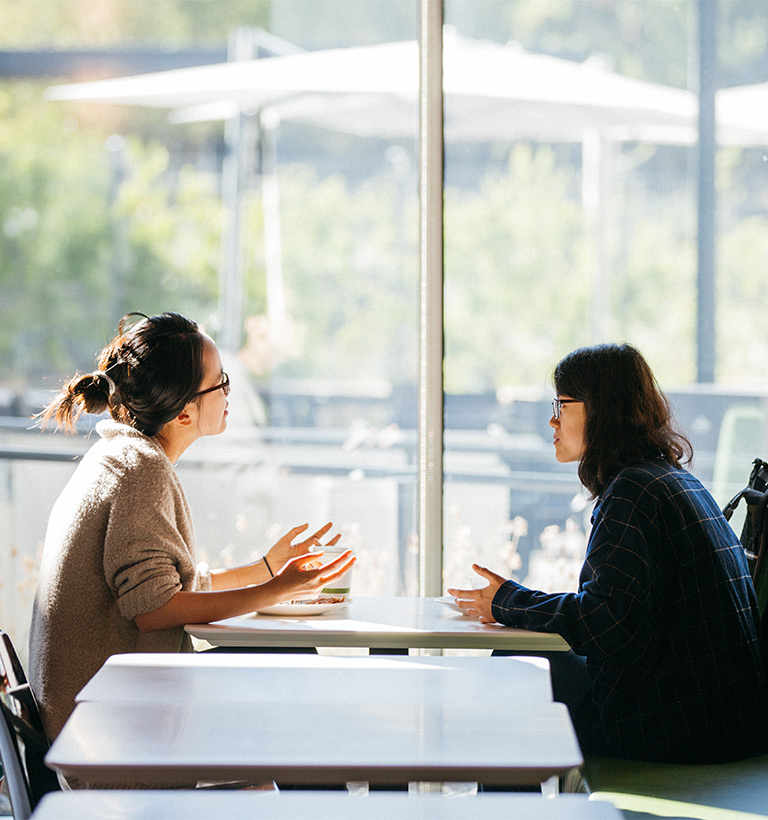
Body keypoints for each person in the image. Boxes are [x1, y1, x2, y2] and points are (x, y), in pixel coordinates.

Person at [29, 312, 354, 744]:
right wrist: (278, 589)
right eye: (220, 382)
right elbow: (154, 611)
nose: (229, 390)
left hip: (94, 714)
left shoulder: (120, 457)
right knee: (297, 673)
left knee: (291, 667)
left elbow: (173, 589)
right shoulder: (139, 470)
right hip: (111, 733)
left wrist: (269, 567)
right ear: (183, 412)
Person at [448, 343, 768, 764]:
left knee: (515, 662)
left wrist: (509, 602)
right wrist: (516, 604)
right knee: (531, 660)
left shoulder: (632, 492)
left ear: (601, 409)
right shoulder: (671, 480)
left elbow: (612, 627)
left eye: (562, 405)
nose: (552, 420)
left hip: (681, 730)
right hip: (727, 721)